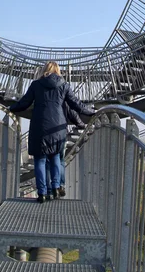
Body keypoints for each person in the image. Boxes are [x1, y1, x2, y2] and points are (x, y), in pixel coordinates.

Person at [9, 61, 95, 203]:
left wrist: (11, 108)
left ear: (45, 70)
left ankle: (42, 193)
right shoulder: (64, 85)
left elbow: (24, 103)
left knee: (40, 159)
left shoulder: (36, 85)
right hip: (58, 126)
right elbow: (76, 104)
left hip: (39, 126)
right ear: (58, 71)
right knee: (55, 156)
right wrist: (91, 112)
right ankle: (55, 187)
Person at [46, 102, 85, 199]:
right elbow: (72, 113)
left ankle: (49, 189)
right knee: (60, 160)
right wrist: (80, 124)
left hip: (45, 134)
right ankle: (61, 185)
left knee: (46, 162)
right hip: (61, 134)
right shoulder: (62, 96)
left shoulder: (43, 96)